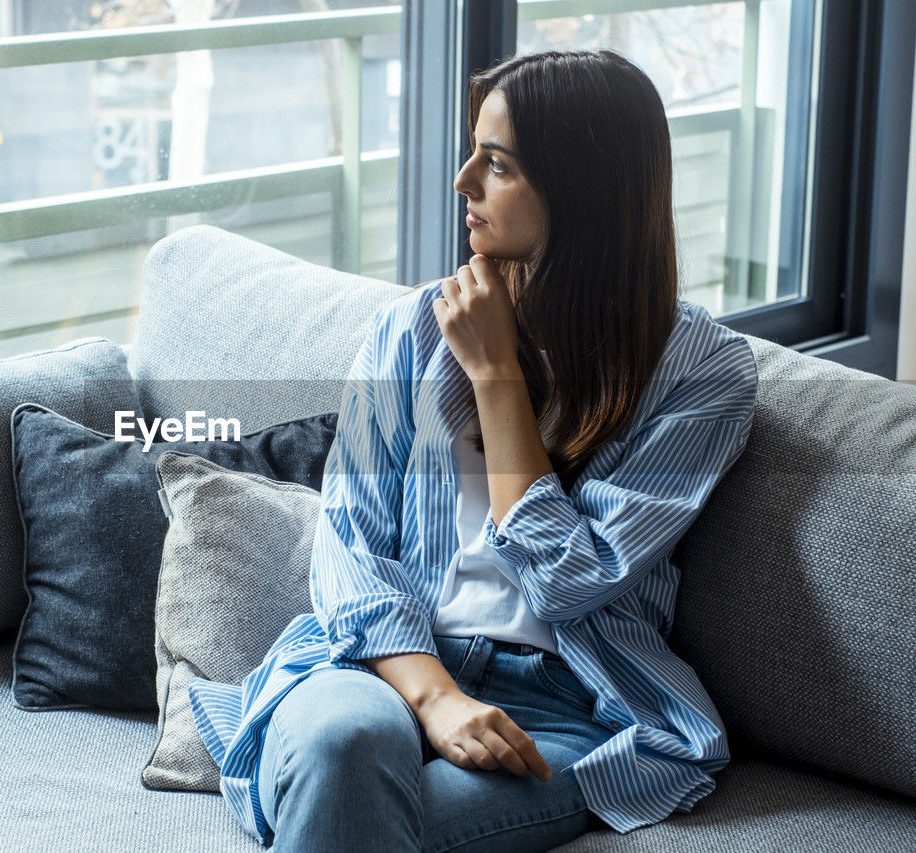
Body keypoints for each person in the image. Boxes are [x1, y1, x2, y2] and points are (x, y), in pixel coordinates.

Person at [187, 48, 759, 852]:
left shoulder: (703, 373)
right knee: (346, 747)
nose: (462, 181)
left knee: (358, 816)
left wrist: (496, 376)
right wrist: (437, 698)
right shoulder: (410, 330)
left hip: (566, 705)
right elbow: (346, 548)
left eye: (496, 164)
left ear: (582, 192)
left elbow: (569, 578)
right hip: (379, 668)